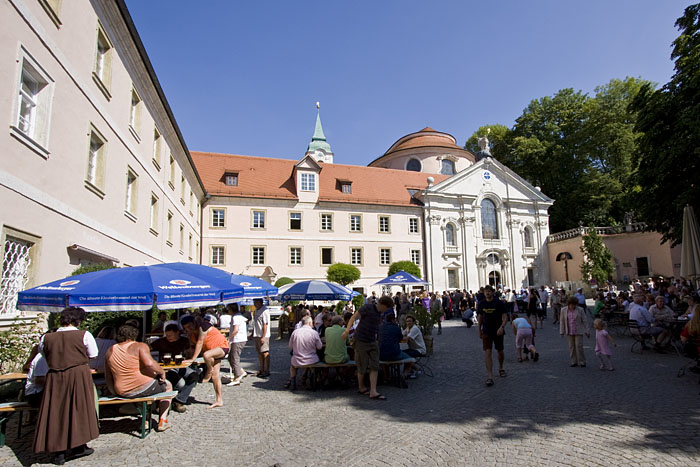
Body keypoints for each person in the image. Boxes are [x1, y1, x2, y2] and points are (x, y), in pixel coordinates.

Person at [33, 307, 99, 465]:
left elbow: (43, 353)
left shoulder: (47, 338)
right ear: (78, 321)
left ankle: (59, 452)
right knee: (79, 409)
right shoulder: (84, 335)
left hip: (56, 377)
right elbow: (93, 354)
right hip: (78, 375)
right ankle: (78, 446)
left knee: (56, 411)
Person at [105, 325, 172, 431]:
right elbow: (150, 364)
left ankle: (146, 419)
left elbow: (108, 374)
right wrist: (162, 372)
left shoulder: (110, 350)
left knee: (144, 394)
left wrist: (113, 391)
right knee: (168, 386)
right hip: (142, 387)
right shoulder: (139, 346)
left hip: (122, 391)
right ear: (135, 335)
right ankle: (162, 421)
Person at [342, 295, 393, 400]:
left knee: (375, 365)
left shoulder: (380, 314)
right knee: (362, 366)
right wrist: (347, 331)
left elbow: (376, 327)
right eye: (387, 308)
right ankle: (361, 387)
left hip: (372, 341)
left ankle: (373, 391)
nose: (386, 311)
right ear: (383, 305)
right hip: (360, 340)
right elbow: (353, 317)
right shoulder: (367, 307)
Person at [181, 315, 228, 408]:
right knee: (216, 376)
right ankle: (219, 400)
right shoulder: (191, 334)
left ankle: (208, 371)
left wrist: (192, 359)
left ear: (194, 322)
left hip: (221, 347)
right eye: (186, 327)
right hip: (211, 352)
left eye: (189, 326)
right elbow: (193, 347)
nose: (188, 329)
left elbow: (200, 342)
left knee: (207, 355)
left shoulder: (203, 326)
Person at [150, 323, 197, 412]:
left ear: (177, 333)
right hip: (167, 368)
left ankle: (179, 400)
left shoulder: (184, 341)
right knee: (181, 383)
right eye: (167, 335)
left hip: (181, 366)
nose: (168, 337)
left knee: (194, 375)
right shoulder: (161, 342)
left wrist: (190, 352)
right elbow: (148, 348)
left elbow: (191, 352)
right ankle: (168, 400)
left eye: (170, 335)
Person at [477, 285, 508, 387]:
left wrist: (502, 327)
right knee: (488, 352)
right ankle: (490, 376)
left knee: (500, 351)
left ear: (493, 292)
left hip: (498, 330)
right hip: (486, 331)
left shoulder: (499, 303)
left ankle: (501, 367)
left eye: (489, 291)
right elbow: (480, 317)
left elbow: (505, 317)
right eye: (486, 291)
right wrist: (479, 330)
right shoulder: (482, 304)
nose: (487, 293)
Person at [284, 316, 323, 390]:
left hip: (297, 359)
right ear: (310, 323)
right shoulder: (314, 333)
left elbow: (290, 346)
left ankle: (293, 382)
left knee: (292, 367)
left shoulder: (295, 332)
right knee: (314, 365)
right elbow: (319, 347)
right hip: (311, 359)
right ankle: (312, 381)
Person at [559, 296, 590, 367]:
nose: (573, 306)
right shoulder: (563, 310)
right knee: (571, 347)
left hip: (578, 330)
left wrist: (587, 330)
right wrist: (562, 331)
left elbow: (585, 320)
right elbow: (562, 321)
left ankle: (582, 361)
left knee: (579, 346)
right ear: (568, 304)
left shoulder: (580, 310)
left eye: (574, 304)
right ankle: (573, 361)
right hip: (569, 330)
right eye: (571, 304)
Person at [227, 303, 248, 386]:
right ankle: (241, 371)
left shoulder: (235, 317)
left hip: (237, 339)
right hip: (241, 339)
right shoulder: (239, 316)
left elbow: (235, 330)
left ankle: (237, 377)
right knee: (230, 357)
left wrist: (229, 338)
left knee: (234, 358)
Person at [402, 315, 426, 379]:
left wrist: (398, 337)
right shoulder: (408, 328)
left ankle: (413, 370)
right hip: (413, 349)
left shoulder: (414, 328)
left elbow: (407, 338)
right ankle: (408, 371)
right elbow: (402, 334)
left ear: (413, 322)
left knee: (406, 355)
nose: (408, 323)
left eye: (410, 321)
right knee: (401, 353)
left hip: (420, 350)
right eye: (407, 321)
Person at [252, 298, 271, 377]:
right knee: (259, 352)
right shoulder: (256, 311)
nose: (254, 304)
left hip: (263, 335)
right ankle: (261, 369)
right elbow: (255, 323)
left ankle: (266, 370)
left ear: (259, 302)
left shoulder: (265, 311)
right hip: (257, 334)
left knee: (265, 352)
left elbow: (265, 324)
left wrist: (263, 336)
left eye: (255, 302)